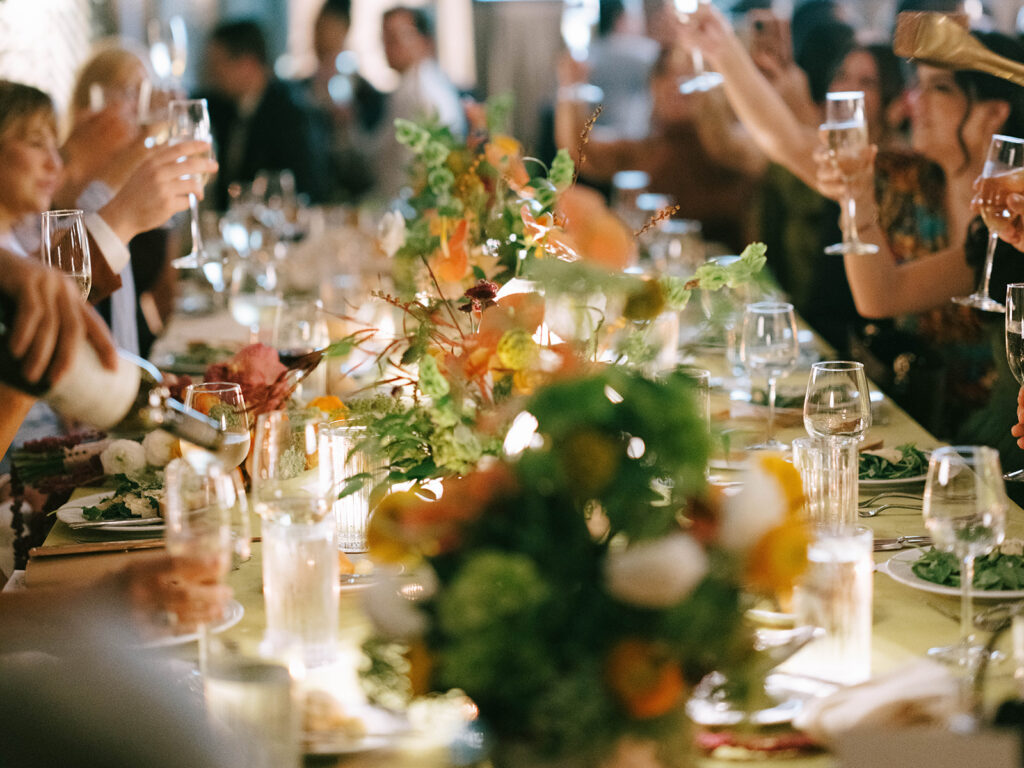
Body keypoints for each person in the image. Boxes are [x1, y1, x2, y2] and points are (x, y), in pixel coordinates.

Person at [0, 80, 214, 463]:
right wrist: (123, 213)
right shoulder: (28, 245)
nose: (55, 162)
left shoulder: (20, 241)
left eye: (56, 146)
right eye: (35, 143)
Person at [556, 46, 765, 253]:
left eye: (689, 74)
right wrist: (572, 86)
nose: (676, 82)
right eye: (666, 72)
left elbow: (751, 154)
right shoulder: (646, 151)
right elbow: (582, 153)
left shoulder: (733, 149)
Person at [203, 19, 330, 209]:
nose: (212, 73)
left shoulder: (291, 115)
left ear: (249, 64)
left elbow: (308, 191)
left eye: (218, 64)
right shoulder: (222, 108)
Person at [375, 6, 466, 197]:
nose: (387, 47)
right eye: (384, 38)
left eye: (395, 37)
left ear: (425, 41)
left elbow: (412, 173)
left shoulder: (425, 93)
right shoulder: (409, 86)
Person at [303, 0, 386, 202]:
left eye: (329, 28)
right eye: (317, 28)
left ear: (345, 30)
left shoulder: (366, 92)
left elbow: (376, 154)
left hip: (357, 193)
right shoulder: (302, 89)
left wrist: (351, 124)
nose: (319, 37)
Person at [586, 0, 660, 139]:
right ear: (620, 19)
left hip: (594, 134)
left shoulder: (589, 54)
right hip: (635, 136)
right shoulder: (647, 53)